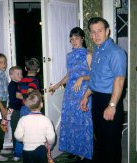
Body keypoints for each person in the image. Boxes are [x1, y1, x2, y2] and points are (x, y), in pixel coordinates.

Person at [80, 17, 127, 163]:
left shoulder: (116, 52)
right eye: (93, 32)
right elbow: (96, 78)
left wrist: (112, 105)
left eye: (99, 31)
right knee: (100, 139)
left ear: (107, 31)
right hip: (98, 99)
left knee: (111, 143)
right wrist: (86, 95)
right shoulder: (97, 50)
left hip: (110, 99)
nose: (96, 35)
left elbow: (119, 80)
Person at [49, 27, 93, 161]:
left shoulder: (88, 54)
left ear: (82, 39)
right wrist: (56, 85)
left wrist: (82, 78)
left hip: (84, 92)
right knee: (71, 122)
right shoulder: (69, 55)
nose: (74, 41)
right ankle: (74, 149)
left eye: (77, 38)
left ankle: (84, 152)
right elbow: (69, 75)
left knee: (82, 122)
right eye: (71, 39)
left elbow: (94, 75)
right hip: (70, 93)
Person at [12, 58, 41, 161]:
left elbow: (17, 95)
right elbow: (30, 90)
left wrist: (24, 98)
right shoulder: (35, 80)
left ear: (25, 68)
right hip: (32, 108)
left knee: (22, 131)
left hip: (23, 108)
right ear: (38, 70)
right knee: (35, 130)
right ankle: (34, 150)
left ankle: (17, 154)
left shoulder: (22, 81)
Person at [14, 91, 55, 163]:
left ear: (27, 105)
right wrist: (50, 144)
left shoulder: (23, 119)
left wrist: (23, 139)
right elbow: (51, 137)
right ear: (41, 105)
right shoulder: (46, 120)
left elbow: (17, 135)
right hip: (41, 150)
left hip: (27, 150)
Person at [7, 66, 23, 161]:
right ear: (11, 76)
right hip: (15, 110)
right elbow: (14, 99)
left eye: (21, 73)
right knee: (16, 130)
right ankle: (16, 150)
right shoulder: (12, 85)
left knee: (21, 130)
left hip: (20, 109)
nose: (20, 75)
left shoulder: (19, 84)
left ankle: (19, 149)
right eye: (18, 74)